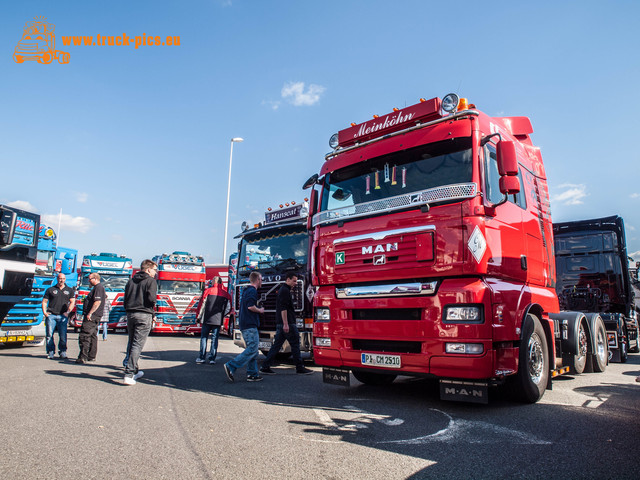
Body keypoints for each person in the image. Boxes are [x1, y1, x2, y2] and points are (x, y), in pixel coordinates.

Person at [260, 272, 313, 376]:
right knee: (295, 344)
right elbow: (283, 308)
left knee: (276, 346)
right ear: (287, 280)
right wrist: (286, 324)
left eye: (296, 281)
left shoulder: (284, 290)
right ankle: (299, 367)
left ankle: (265, 366)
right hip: (288, 323)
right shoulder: (285, 291)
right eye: (294, 281)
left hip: (283, 323)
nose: (295, 283)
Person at [224, 271, 264, 382]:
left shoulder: (246, 290)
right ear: (257, 280)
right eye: (261, 279)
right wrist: (260, 310)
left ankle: (252, 374)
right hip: (250, 324)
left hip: (245, 324)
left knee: (253, 350)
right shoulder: (252, 291)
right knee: (252, 348)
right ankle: (231, 366)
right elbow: (250, 307)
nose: (262, 282)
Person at [123, 259, 158, 385]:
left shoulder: (130, 281)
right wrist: (153, 312)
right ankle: (129, 373)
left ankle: (134, 370)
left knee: (131, 342)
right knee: (137, 345)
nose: (155, 272)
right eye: (154, 270)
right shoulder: (151, 281)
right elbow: (151, 299)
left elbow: (125, 299)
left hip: (130, 314)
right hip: (144, 314)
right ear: (148, 269)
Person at [195, 276, 231, 364]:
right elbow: (229, 308)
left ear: (213, 282)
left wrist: (199, 317)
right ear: (221, 283)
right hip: (218, 320)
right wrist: (222, 315)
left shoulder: (207, 291)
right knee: (215, 339)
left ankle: (202, 357)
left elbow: (202, 306)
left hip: (207, 319)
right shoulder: (226, 294)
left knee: (204, 337)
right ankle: (212, 358)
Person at [42, 273, 76, 359]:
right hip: (51, 315)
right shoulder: (50, 289)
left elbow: (72, 302)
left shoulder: (69, 290)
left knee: (63, 335)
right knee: (49, 334)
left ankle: (63, 352)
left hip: (63, 316)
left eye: (63, 279)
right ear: (57, 279)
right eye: (60, 278)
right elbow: (44, 301)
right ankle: (50, 352)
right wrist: (45, 313)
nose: (62, 280)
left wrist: (68, 312)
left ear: (65, 279)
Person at [76, 273, 106, 364]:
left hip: (92, 316)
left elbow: (97, 302)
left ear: (95, 279)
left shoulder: (98, 288)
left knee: (84, 335)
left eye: (90, 279)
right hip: (95, 316)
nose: (89, 281)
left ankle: (83, 357)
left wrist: (90, 313)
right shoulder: (98, 288)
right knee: (93, 336)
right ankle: (91, 356)